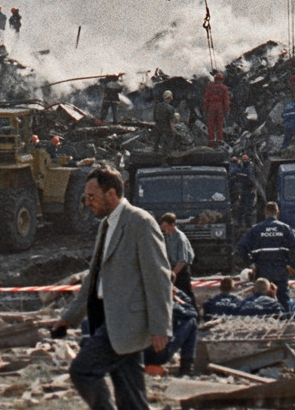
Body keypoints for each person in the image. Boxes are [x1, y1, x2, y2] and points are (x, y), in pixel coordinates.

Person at [54, 168, 172, 410]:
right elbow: (93, 277)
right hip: (112, 320)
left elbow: (158, 277)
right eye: (86, 197)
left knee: (83, 371)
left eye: (91, 196)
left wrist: (160, 326)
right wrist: (69, 318)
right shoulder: (106, 225)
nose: (87, 203)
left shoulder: (140, 222)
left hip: (130, 322)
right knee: (131, 397)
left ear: (111, 194)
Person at [237, 203, 295, 307]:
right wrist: (292, 266)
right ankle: (284, 320)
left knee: (261, 302)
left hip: (262, 270)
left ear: (265, 212)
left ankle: (265, 321)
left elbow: (241, 247)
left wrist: (251, 264)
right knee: (283, 301)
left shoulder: (255, 229)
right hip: (280, 270)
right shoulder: (285, 228)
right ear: (277, 212)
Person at [143, 287, 199, 378]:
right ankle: (186, 369)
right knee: (192, 322)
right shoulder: (167, 302)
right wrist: (178, 296)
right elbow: (192, 312)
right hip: (157, 352)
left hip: (135, 353)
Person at [159, 215, 194, 300]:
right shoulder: (168, 237)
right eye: (163, 227)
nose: (164, 229)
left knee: (185, 295)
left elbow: (182, 260)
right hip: (173, 269)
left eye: (166, 226)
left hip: (181, 271)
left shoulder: (180, 238)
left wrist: (173, 274)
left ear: (173, 225)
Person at [202, 74, 231, 147]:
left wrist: (205, 109)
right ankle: (219, 141)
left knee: (211, 125)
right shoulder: (224, 88)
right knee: (219, 125)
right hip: (220, 107)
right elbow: (226, 100)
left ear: (215, 79)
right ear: (221, 79)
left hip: (211, 107)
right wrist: (227, 110)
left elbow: (206, 99)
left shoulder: (209, 87)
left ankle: (211, 141)